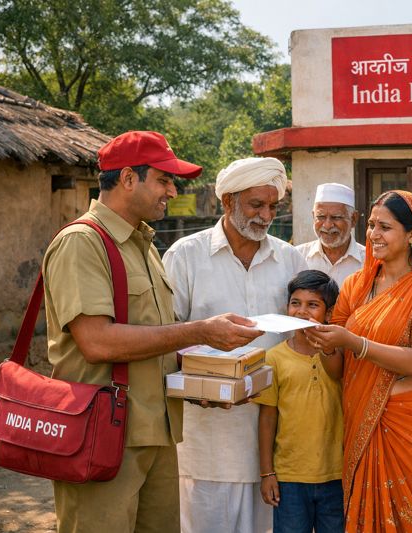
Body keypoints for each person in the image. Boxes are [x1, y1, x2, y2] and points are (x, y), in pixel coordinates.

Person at [42, 131, 264, 533]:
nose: (171, 190)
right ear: (128, 178)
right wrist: (200, 331)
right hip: (103, 435)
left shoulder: (143, 244)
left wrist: (207, 378)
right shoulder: (83, 242)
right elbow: (97, 342)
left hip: (154, 431)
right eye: (163, 180)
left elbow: (154, 341)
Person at [304, 190, 412, 531]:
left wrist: (354, 342)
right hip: (366, 428)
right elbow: (339, 369)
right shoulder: (356, 285)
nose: (373, 235)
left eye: (385, 227)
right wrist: (325, 346)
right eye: (370, 225)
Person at [163, 157, 308, 533]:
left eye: (273, 206)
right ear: (227, 202)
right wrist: (199, 378)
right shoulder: (185, 256)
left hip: (274, 440)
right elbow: (164, 336)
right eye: (255, 205)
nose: (265, 215)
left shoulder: (289, 258)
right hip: (207, 437)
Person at [256, 270, 344, 533]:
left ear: (329, 313)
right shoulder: (274, 358)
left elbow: (337, 372)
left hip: (337, 476)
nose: (301, 311)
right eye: (295, 303)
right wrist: (267, 473)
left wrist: (326, 345)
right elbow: (268, 418)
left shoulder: (340, 355)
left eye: (312, 305)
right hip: (289, 478)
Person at [295, 182, 365, 287]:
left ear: (354, 219)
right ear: (313, 216)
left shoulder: (368, 261)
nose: (327, 225)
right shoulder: (296, 256)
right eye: (321, 217)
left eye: (336, 217)